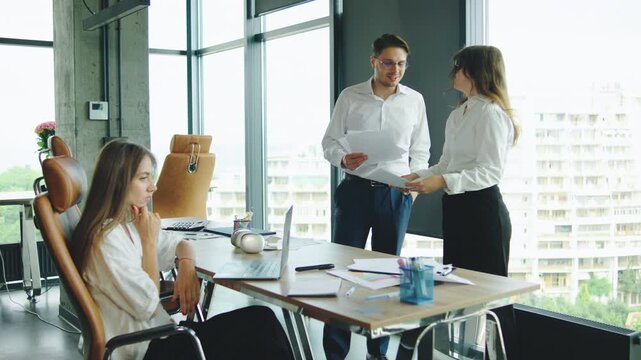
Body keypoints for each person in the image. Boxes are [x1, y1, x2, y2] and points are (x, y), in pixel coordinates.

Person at [71, 140, 295, 360]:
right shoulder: (105, 240)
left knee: (260, 322)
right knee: (262, 327)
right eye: (143, 178)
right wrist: (149, 243)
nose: (153, 186)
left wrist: (186, 264)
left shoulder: (127, 226)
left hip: (162, 337)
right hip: (146, 349)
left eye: (151, 176)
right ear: (117, 183)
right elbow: (146, 306)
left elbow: (178, 242)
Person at [404, 45, 520, 359]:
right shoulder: (459, 113)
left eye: (459, 66)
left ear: (475, 71)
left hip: (483, 212)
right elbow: (446, 164)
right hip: (457, 210)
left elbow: (489, 171)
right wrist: (416, 176)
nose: (452, 72)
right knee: (458, 293)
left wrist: (441, 181)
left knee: (493, 299)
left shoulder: (492, 114)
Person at [321, 33, 430, 360]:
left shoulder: (414, 100)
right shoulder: (350, 96)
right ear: (373, 61)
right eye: (387, 62)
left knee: (385, 275)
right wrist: (343, 158)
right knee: (344, 272)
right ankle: (335, 353)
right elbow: (329, 142)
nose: (394, 70)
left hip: (395, 196)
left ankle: (377, 352)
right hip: (354, 192)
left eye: (400, 64)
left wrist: (413, 190)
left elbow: (421, 150)